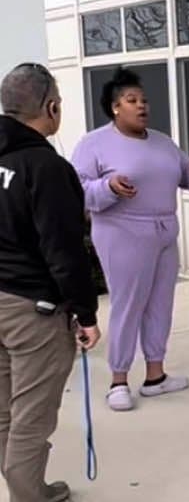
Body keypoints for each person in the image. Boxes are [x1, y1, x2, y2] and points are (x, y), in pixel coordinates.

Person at [71, 67, 189, 412]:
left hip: (164, 229)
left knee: (160, 304)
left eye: (144, 100)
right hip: (122, 230)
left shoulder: (163, 142)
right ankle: (118, 380)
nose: (141, 106)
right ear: (114, 107)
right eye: (131, 100)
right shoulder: (94, 144)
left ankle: (155, 376)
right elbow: (76, 188)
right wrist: (107, 187)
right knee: (128, 304)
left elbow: (185, 175)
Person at [0, 62, 101, 502]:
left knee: (5, 409)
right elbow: (64, 250)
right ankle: (29, 495)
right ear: (51, 107)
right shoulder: (45, 167)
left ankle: (24, 484)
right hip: (30, 309)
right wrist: (85, 312)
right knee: (32, 413)